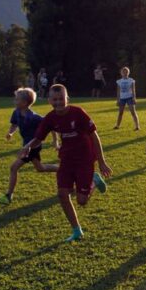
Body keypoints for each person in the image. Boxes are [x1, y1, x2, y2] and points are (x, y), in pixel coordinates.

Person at [20, 84, 111, 242]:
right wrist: (28, 147)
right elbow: (38, 139)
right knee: (62, 194)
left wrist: (102, 162)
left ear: (67, 99)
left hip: (85, 159)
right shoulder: (50, 118)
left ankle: (94, 181)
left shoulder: (78, 113)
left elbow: (95, 136)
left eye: (61, 99)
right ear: (49, 100)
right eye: (55, 99)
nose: (58, 102)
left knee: (82, 201)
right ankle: (77, 231)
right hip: (67, 159)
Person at [0, 88, 60, 205]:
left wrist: (56, 141)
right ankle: (63, 168)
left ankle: (8, 195)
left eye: (17, 99)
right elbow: (14, 124)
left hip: (33, 147)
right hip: (26, 145)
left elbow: (51, 127)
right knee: (40, 168)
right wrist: (11, 132)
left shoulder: (35, 117)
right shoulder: (16, 112)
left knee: (13, 168)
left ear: (25, 103)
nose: (14, 101)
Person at [114, 66, 140, 131]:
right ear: (121, 73)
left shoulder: (131, 80)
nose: (125, 73)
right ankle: (117, 125)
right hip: (122, 99)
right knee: (120, 113)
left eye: (126, 72)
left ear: (128, 73)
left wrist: (134, 98)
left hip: (130, 98)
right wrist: (118, 100)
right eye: (123, 72)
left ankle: (137, 126)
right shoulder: (119, 81)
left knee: (133, 112)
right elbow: (118, 91)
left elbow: (133, 90)